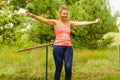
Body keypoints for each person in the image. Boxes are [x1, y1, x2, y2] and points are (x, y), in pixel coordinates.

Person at [27, 5, 100, 80]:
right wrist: (32, 15)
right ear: (60, 13)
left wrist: (94, 22)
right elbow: (43, 19)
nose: (65, 15)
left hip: (68, 47)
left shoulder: (70, 23)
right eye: (64, 13)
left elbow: (82, 23)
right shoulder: (55, 22)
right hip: (58, 47)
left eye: (66, 14)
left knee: (68, 67)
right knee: (59, 68)